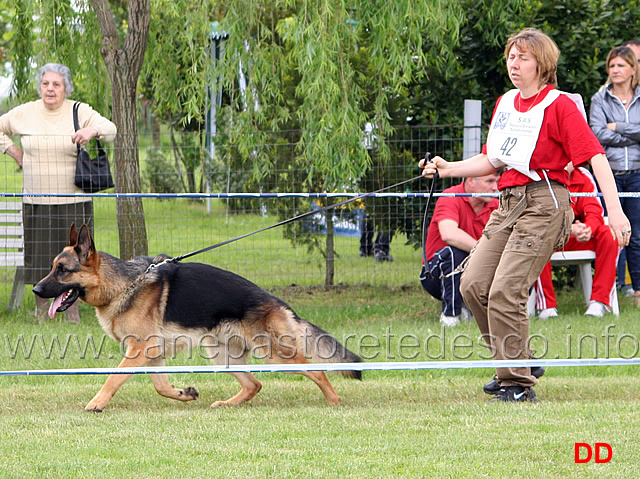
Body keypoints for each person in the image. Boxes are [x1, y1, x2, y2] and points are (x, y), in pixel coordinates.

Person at [419, 28, 630, 403]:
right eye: (511, 57)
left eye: (523, 58)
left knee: (505, 290)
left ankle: (516, 383)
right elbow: (492, 159)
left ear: (542, 64)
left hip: (546, 203)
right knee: (472, 284)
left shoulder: (560, 105)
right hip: (508, 202)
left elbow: (595, 157)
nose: (514, 65)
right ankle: (519, 362)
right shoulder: (505, 103)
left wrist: (615, 213)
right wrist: (447, 167)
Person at [0, 63, 117, 323]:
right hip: (36, 201)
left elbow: (111, 130)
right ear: (40, 86)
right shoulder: (25, 112)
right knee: (40, 258)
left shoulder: (79, 110)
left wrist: (92, 130)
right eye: (45, 84)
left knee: (75, 264)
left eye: (56, 84)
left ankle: (72, 314)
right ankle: (41, 315)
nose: (50, 89)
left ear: (66, 88)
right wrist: (14, 151)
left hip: (73, 202)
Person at [533, 163, 618, 318]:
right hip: (551, 238)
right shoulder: (539, 176)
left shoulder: (583, 175)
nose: (566, 161)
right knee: (536, 236)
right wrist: (568, 229)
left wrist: (588, 229)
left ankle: (599, 302)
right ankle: (546, 307)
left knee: (609, 234)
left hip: (577, 237)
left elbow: (594, 211)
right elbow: (539, 219)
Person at [590, 46, 640, 308]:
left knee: (638, 233)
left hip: (637, 174)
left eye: (621, 65)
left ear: (633, 69)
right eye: (612, 66)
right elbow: (596, 134)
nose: (615, 70)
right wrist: (633, 134)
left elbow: (609, 132)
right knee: (611, 231)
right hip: (608, 173)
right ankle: (614, 289)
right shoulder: (599, 99)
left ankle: (638, 292)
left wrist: (617, 127)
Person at [420, 173, 500, 327]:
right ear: (470, 181)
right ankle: (450, 316)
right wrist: (485, 252)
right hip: (435, 275)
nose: (495, 187)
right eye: (489, 181)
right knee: (453, 253)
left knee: (513, 259)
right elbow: (449, 234)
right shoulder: (450, 196)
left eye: (496, 181)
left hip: (476, 270)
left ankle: (492, 312)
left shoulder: (496, 206)